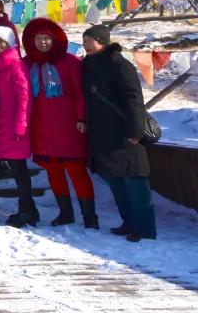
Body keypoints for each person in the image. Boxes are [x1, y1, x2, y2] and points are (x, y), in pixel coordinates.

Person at [81, 25, 155, 242]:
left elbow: (133, 98)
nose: (86, 46)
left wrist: (135, 129)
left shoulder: (119, 65)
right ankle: (129, 222)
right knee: (115, 180)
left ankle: (145, 228)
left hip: (125, 132)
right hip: (102, 133)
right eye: (84, 42)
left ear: (102, 42)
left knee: (134, 180)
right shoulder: (88, 66)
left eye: (89, 41)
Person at [22, 18, 97, 229]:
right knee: (53, 171)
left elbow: (80, 94)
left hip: (69, 126)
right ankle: (65, 213)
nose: (43, 42)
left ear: (55, 39)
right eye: (38, 38)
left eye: (47, 38)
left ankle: (90, 216)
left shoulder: (71, 62)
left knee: (76, 171)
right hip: (41, 127)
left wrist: (81, 118)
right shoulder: (27, 64)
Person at [0, 26, 36, 228]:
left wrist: (21, 123)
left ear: (10, 43)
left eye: (1, 41)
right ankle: (30, 209)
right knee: (16, 169)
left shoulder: (15, 65)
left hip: (15, 125)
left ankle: (26, 211)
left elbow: (25, 96)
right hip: (3, 123)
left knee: (19, 169)